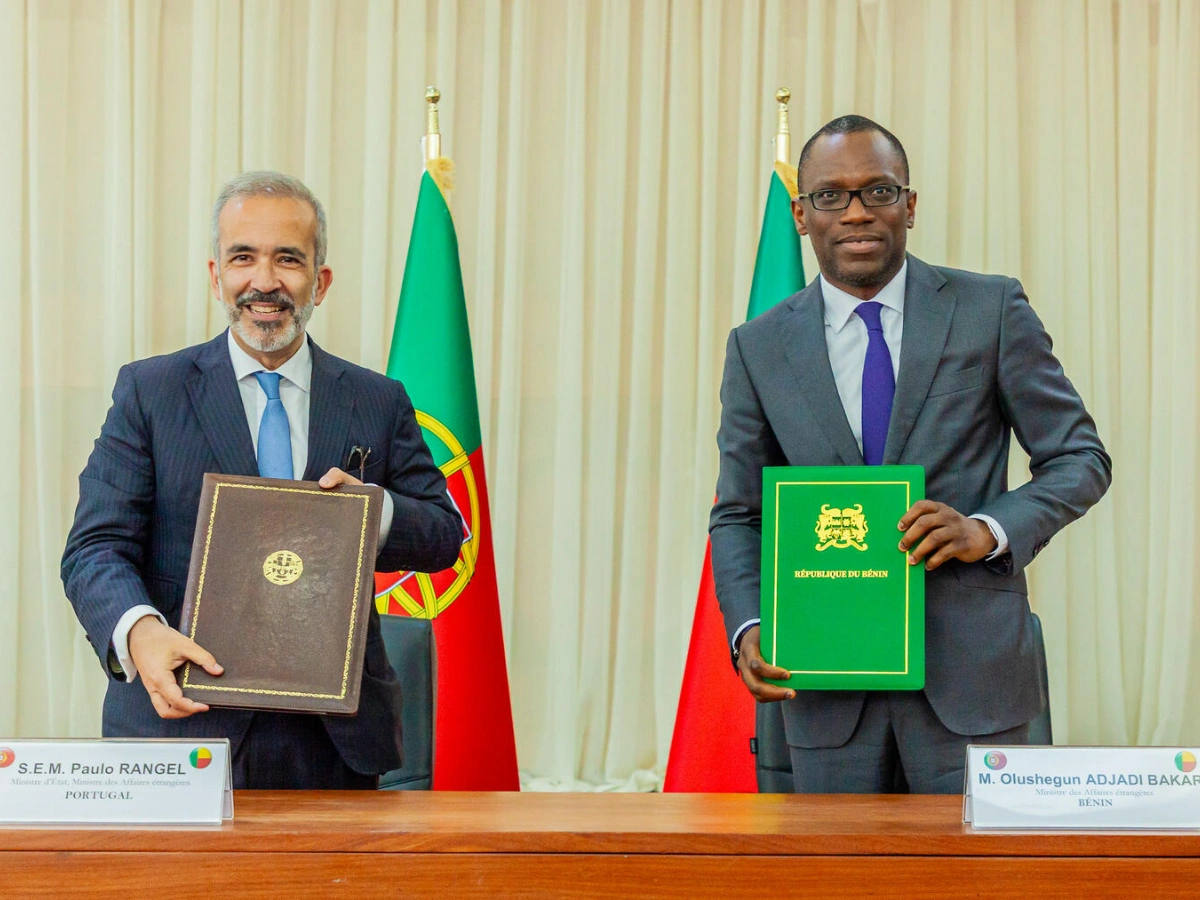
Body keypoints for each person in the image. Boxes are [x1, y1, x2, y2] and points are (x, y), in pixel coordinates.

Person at [710, 116, 1111, 793]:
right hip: (824, 683)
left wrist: (985, 529)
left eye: (879, 191)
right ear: (802, 215)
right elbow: (739, 514)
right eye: (831, 196)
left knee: (978, 866)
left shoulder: (990, 309)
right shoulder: (758, 347)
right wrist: (749, 625)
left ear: (910, 204)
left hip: (974, 685)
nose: (857, 212)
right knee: (838, 865)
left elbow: (1080, 458)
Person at [61, 171, 462, 789]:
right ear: (216, 275)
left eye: (288, 259)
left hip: (336, 742)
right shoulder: (150, 392)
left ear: (320, 282)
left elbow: (443, 535)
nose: (265, 281)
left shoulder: (377, 400)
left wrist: (373, 512)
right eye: (243, 257)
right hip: (182, 729)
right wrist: (140, 632)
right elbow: (94, 547)